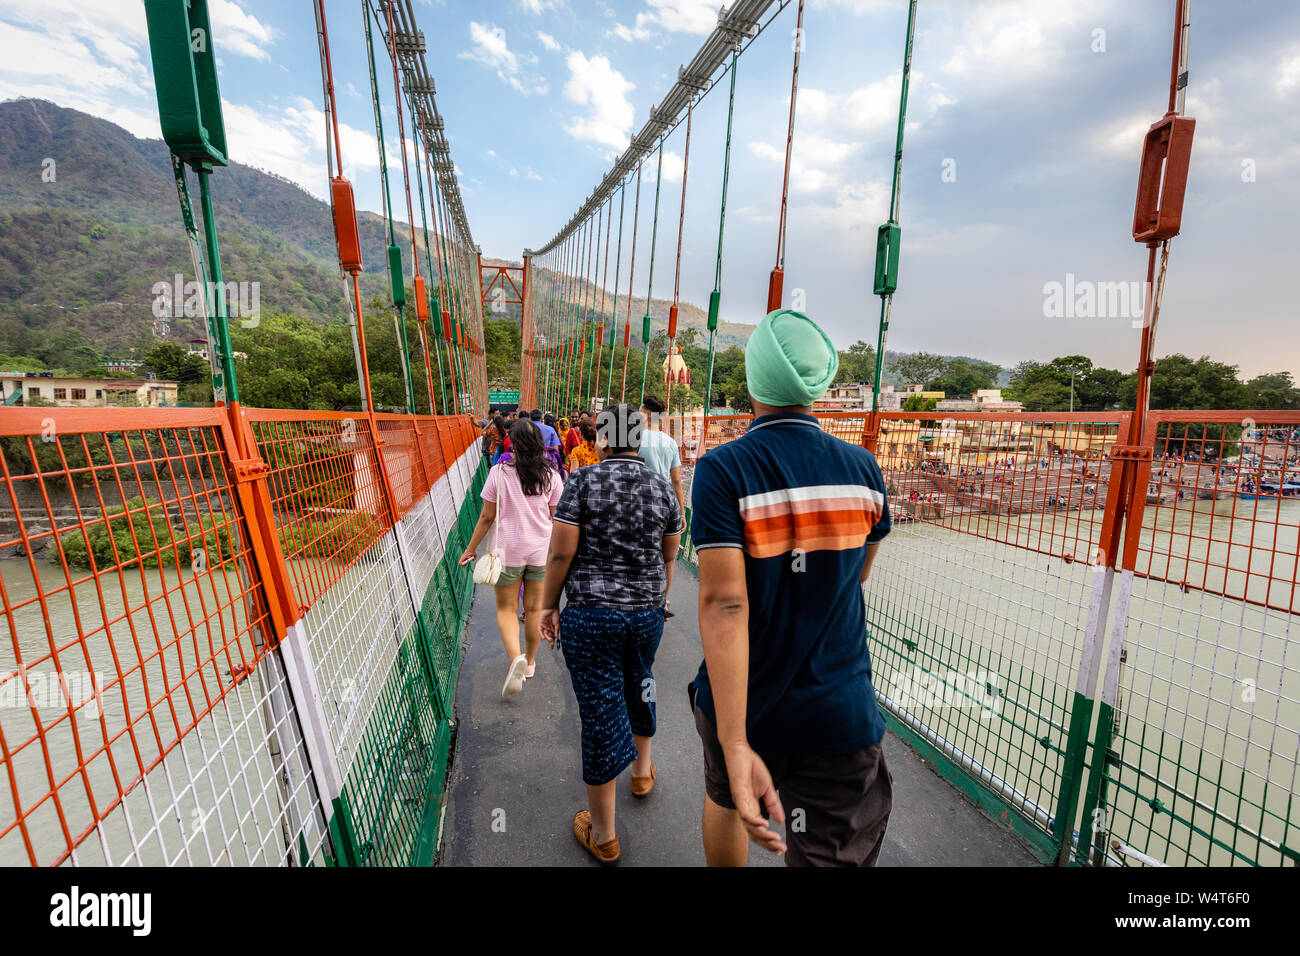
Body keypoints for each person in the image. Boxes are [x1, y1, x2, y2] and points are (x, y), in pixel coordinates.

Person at [689, 308, 894, 867]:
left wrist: (735, 743)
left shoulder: (723, 470)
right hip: (837, 706)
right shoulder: (863, 470)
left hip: (743, 702)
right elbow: (859, 573)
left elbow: (726, 602)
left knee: (729, 801)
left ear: (754, 382)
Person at [539, 404, 682, 865]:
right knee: (641, 682)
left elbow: (560, 556)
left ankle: (603, 835)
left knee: (600, 709)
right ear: (640, 441)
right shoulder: (662, 488)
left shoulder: (582, 482)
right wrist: (659, 602)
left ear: (600, 440)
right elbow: (670, 556)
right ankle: (641, 773)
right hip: (645, 615)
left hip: (591, 615)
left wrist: (548, 605)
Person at [460, 417, 564, 700]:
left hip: (508, 551)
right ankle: (529, 662)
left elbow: (486, 517)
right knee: (533, 611)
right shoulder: (552, 475)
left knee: (506, 609)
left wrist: (471, 548)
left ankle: (515, 657)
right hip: (541, 551)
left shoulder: (499, 473)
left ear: (513, 444)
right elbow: (556, 518)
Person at [638, 395, 686, 520]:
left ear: (645, 416)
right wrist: (682, 513)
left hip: (638, 500)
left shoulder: (634, 440)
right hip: (662, 502)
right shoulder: (670, 442)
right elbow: (676, 480)